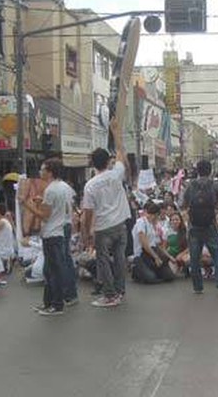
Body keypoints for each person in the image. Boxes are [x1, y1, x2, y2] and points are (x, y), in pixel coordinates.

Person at [82, 128, 131, 308]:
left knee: (103, 261)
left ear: (93, 164)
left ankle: (110, 295)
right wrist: (116, 131)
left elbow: (88, 212)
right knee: (119, 259)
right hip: (121, 224)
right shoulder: (116, 173)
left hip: (103, 227)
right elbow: (120, 152)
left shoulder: (90, 185)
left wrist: (87, 232)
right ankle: (120, 290)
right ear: (108, 161)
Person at [19, 158, 71, 316]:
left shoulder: (51, 190)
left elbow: (44, 216)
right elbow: (64, 209)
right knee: (51, 270)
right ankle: (50, 303)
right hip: (58, 232)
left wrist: (26, 204)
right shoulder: (63, 187)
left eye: (42, 169)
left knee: (53, 271)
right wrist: (41, 202)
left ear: (50, 172)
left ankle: (56, 305)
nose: (40, 172)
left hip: (51, 234)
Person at [183, 160, 218, 296]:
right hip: (210, 225)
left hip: (194, 227)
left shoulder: (190, 185)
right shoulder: (214, 185)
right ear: (210, 171)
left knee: (194, 257)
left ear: (197, 171)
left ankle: (198, 287)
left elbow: (184, 203)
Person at [131, 203, 175, 284]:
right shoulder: (141, 222)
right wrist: (156, 257)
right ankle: (136, 270)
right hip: (141, 255)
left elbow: (157, 244)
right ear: (155, 215)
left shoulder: (152, 225)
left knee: (169, 276)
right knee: (151, 279)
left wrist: (168, 256)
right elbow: (144, 243)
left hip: (152, 252)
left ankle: (153, 271)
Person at [0, 203, 15, 274]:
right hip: (5, 249)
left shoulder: (2, 222)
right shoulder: (5, 221)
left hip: (3, 251)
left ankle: (5, 263)